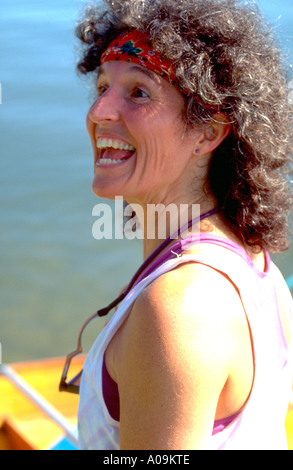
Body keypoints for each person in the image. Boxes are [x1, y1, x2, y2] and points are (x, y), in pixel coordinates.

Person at [71, 0, 293, 449]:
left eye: (139, 92)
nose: (99, 112)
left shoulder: (180, 310)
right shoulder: (252, 259)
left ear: (209, 132)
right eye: (102, 87)